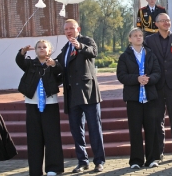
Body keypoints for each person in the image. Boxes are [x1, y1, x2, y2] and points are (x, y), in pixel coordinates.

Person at [56, 19, 105, 173]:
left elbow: (93, 52)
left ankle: (99, 161)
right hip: (71, 95)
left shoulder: (87, 40)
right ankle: (82, 161)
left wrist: (80, 46)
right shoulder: (65, 49)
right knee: (76, 131)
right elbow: (59, 66)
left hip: (88, 92)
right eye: (66, 29)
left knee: (94, 128)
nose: (69, 31)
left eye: (71, 28)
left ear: (78, 29)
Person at [145, 13, 172, 162]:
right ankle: (158, 153)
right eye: (163, 21)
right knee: (158, 120)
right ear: (156, 24)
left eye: (168, 20)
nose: (166, 23)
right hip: (156, 86)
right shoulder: (149, 40)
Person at [16, 40, 64, 176]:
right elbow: (20, 61)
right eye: (39, 47)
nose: (42, 49)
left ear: (49, 50)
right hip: (32, 105)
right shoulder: (30, 64)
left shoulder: (53, 64)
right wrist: (22, 52)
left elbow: (61, 71)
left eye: (45, 47)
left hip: (50, 105)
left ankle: (53, 168)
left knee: (52, 137)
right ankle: (35, 170)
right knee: (34, 138)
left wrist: (54, 65)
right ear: (35, 50)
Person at [117, 28, 162, 169]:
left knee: (151, 129)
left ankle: (151, 159)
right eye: (135, 36)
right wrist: (137, 79)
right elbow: (121, 76)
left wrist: (149, 79)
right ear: (129, 39)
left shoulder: (150, 53)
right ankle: (136, 160)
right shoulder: (125, 56)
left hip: (150, 97)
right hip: (133, 99)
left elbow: (157, 72)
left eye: (140, 35)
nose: (138, 38)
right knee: (135, 130)